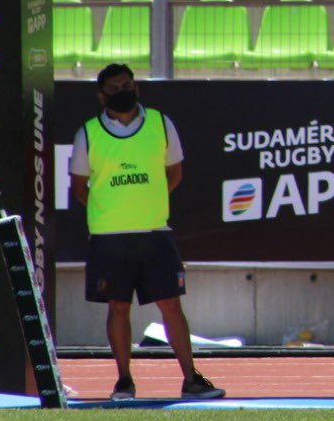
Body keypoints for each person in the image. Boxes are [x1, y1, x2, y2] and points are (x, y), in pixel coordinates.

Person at [68, 64, 224, 402]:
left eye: (127, 83)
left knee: (171, 306)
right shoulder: (88, 133)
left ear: (136, 87)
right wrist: (111, 210)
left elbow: (174, 173)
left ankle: (191, 379)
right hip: (109, 236)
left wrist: (148, 204)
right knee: (118, 308)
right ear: (101, 95)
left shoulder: (160, 123)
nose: (122, 89)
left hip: (155, 231)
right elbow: (79, 187)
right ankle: (124, 381)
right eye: (114, 87)